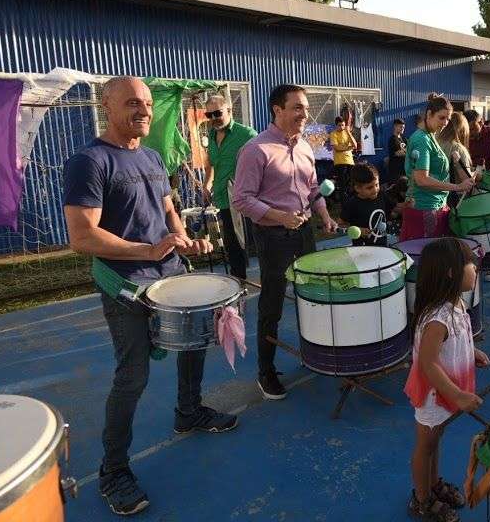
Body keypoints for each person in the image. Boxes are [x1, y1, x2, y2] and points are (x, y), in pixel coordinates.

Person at [63, 76, 237, 516]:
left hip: (170, 274)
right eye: (131, 103)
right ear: (107, 106)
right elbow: (82, 236)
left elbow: (168, 211)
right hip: (125, 286)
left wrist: (183, 240)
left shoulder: (154, 156)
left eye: (145, 103)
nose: (142, 110)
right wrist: (146, 250)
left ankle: (189, 410)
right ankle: (114, 471)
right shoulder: (90, 161)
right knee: (133, 375)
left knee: (194, 344)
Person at [232, 84, 339, 399]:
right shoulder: (255, 150)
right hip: (273, 237)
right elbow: (241, 199)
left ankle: (313, 351)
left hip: (304, 232)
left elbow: (313, 189)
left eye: (305, 108)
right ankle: (266, 372)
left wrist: (325, 216)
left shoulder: (306, 146)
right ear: (277, 109)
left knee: (310, 296)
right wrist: (280, 216)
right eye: (297, 108)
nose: (304, 114)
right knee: (272, 305)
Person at [404, 238, 490, 522]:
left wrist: (471, 349)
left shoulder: (456, 303)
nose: (475, 268)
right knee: (425, 445)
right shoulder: (437, 318)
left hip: (447, 390)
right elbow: (428, 363)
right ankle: (422, 499)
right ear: (452, 272)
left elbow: (454, 340)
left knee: (436, 439)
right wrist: (458, 394)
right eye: (470, 263)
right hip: (435, 392)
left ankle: (434, 483)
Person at [402, 95, 475, 241]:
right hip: (425, 208)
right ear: (429, 114)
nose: (445, 123)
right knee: (427, 258)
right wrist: (457, 186)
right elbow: (422, 179)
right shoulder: (422, 139)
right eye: (441, 118)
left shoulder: (429, 135)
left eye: (448, 119)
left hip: (432, 205)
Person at [202, 95, 258, 280]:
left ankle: (272, 282)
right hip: (224, 199)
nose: (213, 118)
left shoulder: (247, 135)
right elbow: (211, 162)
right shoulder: (211, 135)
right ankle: (239, 283)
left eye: (217, 113)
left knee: (255, 244)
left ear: (229, 111)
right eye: (208, 114)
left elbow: (262, 164)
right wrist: (207, 184)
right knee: (232, 244)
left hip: (246, 200)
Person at [339, 163, 406, 246]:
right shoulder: (352, 204)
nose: (375, 190)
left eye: (377, 185)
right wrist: (358, 230)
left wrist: (407, 205)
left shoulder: (381, 195)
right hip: (361, 249)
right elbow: (340, 225)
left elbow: (395, 208)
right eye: (369, 187)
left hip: (383, 246)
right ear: (357, 188)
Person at [437, 111, 474, 187]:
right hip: (454, 195)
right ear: (463, 130)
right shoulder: (458, 148)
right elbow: (467, 180)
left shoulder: (435, 142)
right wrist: (477, 174)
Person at [330, 115, 357, 199]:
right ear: (336, 125)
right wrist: (348, 148)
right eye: (339, 125)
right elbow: (337, 148)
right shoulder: (333, 134)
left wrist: (349, 133)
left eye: (343, 125)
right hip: (340, 162)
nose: (341, 127)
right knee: (343, 184)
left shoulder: (347, 133)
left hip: (350, 162)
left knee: (352, 182)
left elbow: (355, 145)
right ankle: (344, 202)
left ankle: (352, 199)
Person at [387, 118, 408, 183]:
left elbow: (409, 149)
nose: (402, 129)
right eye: (401, 127)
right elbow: (398, 153)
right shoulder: (392, 139)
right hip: (396, 172)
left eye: (403, 127)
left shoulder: (404, 139)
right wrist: (407, 152)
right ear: (395, 126)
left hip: (404, 170)